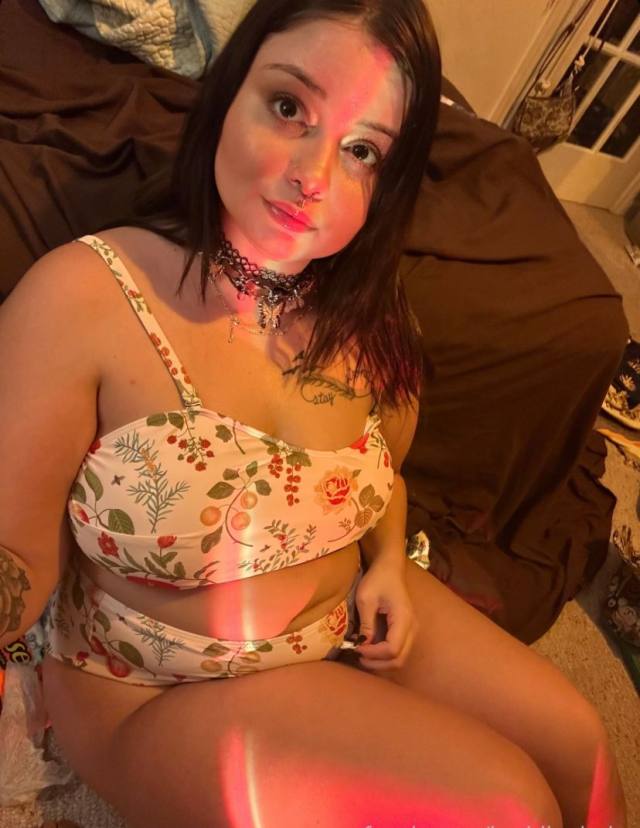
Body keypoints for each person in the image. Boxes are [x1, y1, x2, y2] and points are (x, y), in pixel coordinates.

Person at [0, 0, 626, 825]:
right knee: (507, 805)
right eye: (289, 106)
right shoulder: (85, 295)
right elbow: (14, 558)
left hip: (342, 622)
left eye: (362, 149)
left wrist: (391, 562)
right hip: (152, 687)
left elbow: (380, 475)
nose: (315, 175)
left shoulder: (369, 313)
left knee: (582, 749)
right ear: (229, 92)